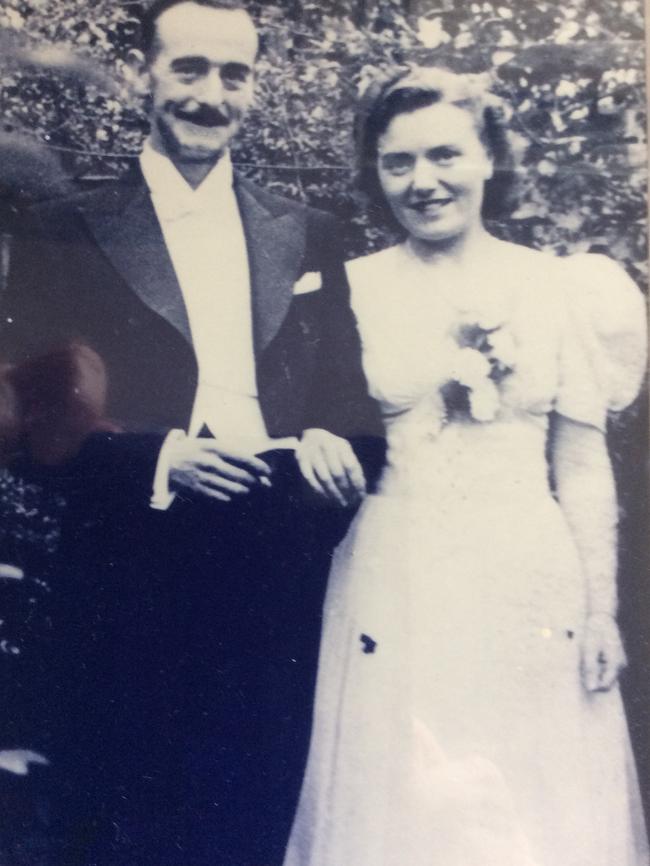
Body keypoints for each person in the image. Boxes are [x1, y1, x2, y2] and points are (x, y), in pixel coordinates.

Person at [1, 2, 383, 863]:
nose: (212, 95)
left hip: (274, 576)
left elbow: (358, 412)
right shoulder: (69, 227)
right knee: (122, 821)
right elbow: (30, 407)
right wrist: (160, 457)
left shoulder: (310, 232)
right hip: (126, 577)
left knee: (252, 817)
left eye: (234, 74)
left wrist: (333, 441)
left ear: (256, 86)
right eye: (189, 69)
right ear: (143, 75)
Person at [285, 66, 649, 866]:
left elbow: (582, 463)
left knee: (534, 803)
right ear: (375, 174)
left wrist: (599, 611)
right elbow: (312, 417)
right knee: (401, 807)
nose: (425, 182)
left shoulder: (557, 288)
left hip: (528, 582)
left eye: (446, 155)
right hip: (397, 578)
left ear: (488, 156)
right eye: (399, 163)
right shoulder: (349, 290)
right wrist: (312, 435)